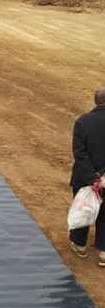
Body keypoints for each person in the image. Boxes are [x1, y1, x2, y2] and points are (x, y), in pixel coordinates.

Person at [69, 87, 105, 266]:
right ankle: (104, 252)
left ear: (95, 101)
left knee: (83, 208)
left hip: (84, 177)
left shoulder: (82, 122)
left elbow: (80, 154)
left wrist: (93, 177)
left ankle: (80, 245)